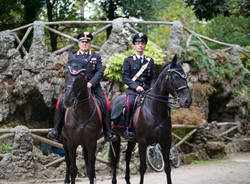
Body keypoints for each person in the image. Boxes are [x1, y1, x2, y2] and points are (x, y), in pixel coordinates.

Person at [48, 31, 117, 142]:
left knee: (106, 104)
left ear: (90, 44)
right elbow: (68, 71)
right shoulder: (73, 56)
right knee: (60, 102)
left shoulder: (96, 56)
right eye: (82, 42)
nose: (85, 44)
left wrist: (91, 83)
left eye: (87, 42)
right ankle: (56, 130)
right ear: (79, 43)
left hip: (93, 87)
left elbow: (99, 72)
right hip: (75, 88)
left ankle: (107, 131)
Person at [122, 33, 157, 139]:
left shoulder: (149, 61)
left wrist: (151, 88)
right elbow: (125, 77)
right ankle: (128, 128)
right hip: (133, 90)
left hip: (147, 90)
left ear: (145, 46)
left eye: (142, 43)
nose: (140, 46)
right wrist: (136, 86)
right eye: (138, 43)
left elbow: (153, 77)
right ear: (134, 46)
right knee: (130, 104)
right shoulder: (128, 60)